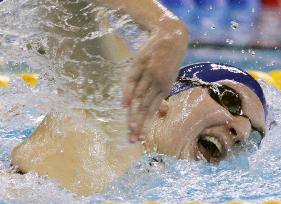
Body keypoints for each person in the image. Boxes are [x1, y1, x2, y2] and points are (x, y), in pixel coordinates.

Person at [11, 0, 266, 197]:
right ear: (163, 95)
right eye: (230, 100)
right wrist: (169, 28)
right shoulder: (111, 110)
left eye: (254, 136)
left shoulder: (147, 178)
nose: (241, 131)